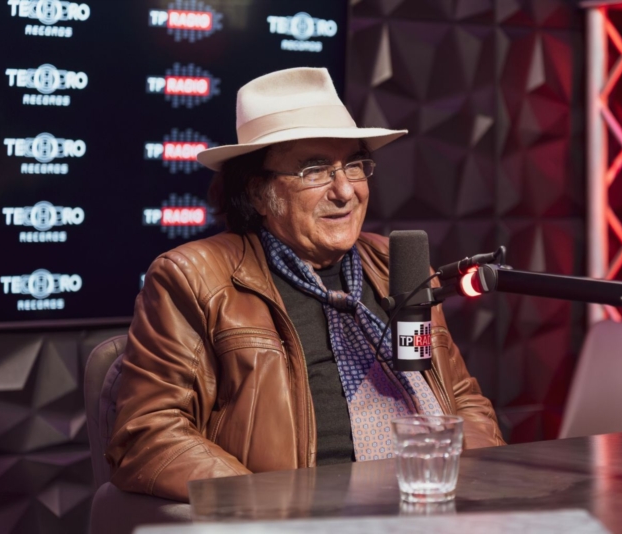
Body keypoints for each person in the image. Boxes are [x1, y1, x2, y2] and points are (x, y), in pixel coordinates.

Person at [106, 67, 505, 503]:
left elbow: (461, 399)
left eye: (354, 166)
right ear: (257, 193)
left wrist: (471, 485)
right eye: (315, 170)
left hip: (428, 502)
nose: (345, 191)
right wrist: (268, 506)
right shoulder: (193, 277)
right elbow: (148, 435)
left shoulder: (398, 265)